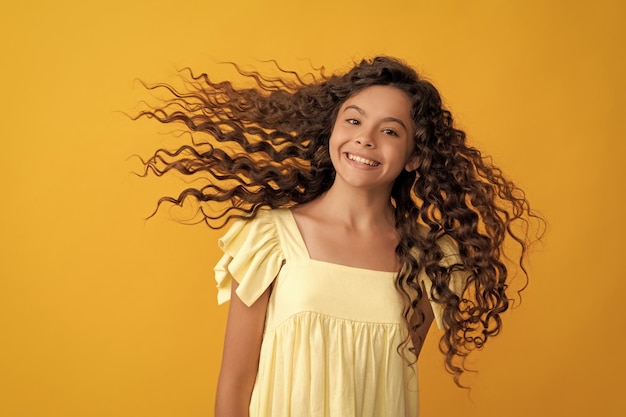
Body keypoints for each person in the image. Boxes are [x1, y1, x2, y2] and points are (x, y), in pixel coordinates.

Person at [135, 56, 543, 417]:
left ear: (415, 156)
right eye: (354, 120)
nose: (365, 138)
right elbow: (234, 385)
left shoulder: (431, 260)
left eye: (391, 131)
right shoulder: (270, 239)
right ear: (332, 129)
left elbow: (389, 387)